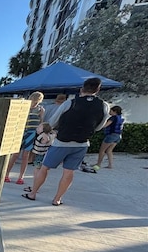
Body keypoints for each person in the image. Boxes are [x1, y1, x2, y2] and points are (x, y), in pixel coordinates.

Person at [22, 77, 110, 206]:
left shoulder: (70, 103)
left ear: (82, 89)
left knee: (44, 168)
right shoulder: (104, 105)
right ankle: (57, 199)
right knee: (69, 172)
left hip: (61, 142)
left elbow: (52, 122)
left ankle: (33, 193)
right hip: (82, 144)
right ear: (97, 90)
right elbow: (98, 126)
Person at [5, 91, 45, 185]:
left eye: (37, 101)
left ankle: (21, 176)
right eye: (34, 100)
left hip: (31, 133)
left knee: (25, 156)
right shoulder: (23, 107)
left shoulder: (40, 109)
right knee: (15, 154)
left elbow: (41, 122)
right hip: (20, 132)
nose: (35, 103)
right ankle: (7, 174)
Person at [23, 122, 56, 192]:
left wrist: (43, 133)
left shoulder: (43, 136)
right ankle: (35, 186)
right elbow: (54, 134)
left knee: (37, 171)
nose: (37, 128)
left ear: (44, 130)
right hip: (43, 155)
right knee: (38, 171)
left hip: (40, 155)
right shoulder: (51, 135)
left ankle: (34, 187)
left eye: (39, 128)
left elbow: (45, 140)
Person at [94, 105, 124, 170]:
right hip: (118, 136)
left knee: (102, 150)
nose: (109, 112)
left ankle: (98, 164)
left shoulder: (112, 118)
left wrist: (97, 127)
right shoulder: (121, 118)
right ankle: (110, 165)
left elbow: (105, 125)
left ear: (114, 111)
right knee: (109, 150)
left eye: (111, 110)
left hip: (111, 135)